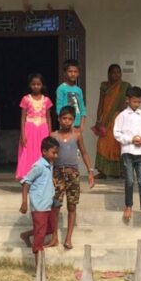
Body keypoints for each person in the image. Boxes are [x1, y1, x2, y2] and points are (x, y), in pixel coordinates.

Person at [51, 105, 95, 249]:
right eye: (64, 118)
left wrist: (90, 172)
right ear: (59, 119)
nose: (67, 121)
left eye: (70, 119)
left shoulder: (77, 135)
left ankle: (68, 238)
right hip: (57, 173)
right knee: (55, 205)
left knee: (72, 205)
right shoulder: (53, 136)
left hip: (73, 173)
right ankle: (54, 237)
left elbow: (84, 153)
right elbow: (47, 156)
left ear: (73, 120)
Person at [114, 86, 141, 223]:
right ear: (128, 101)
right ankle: (128, 205)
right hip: (128, 152)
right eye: (134, 101)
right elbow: (116, 133)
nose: (136, 104)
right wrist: (130, 139)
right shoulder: (122, 116)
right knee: (129, 180)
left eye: (139, 101)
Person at [19, 135, 60, 256]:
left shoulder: (50, 164)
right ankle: (38, 267)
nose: (56, 156)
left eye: (57, 153)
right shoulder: (38, 166)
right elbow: (26, 183)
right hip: (39, 205)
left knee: (51, 228)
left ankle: (26, 235)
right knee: (40, 237)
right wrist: (24, 202)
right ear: (44, 151)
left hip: (49, 203)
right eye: (54, 153)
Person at [93, 63, 129, 179]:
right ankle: (103, 171)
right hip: (106, 119)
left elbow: (129, 101)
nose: (116, 75)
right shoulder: (104, 86)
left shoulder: (125, 86)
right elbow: (101, 103)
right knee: (102, 144)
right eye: (113, 72)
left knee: (118, 144)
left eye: (118, 72)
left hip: (119, 118)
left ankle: (120, 172)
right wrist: (98, 119)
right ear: (109, 74)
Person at [17, 73, 53, 180]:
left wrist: (50, 134)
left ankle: (42, 178)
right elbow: (23, 118)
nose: (36, 86)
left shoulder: (46, 100)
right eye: (33, 84)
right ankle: (28, 179)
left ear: (42, 85)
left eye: (38, 84)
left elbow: (49, 118)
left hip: (43, 129)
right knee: (28, 153)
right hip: (29, 129)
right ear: (30, 85)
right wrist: (23, 134)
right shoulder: (25, 99)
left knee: (42, 152)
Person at [55, 60, 87, 132]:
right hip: (65, 125)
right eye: (70, 71)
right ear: (65, 73)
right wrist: (64, 122)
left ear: (78, 73)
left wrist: (81, 126)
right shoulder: (61, 88)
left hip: (77, 125)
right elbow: (59, 109)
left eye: (75, 71)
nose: (73, 74)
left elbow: (82, 109)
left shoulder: (78, 90)